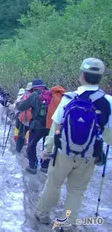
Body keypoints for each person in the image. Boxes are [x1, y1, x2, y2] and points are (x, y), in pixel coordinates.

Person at [36, 58, 112, 230]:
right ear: (100, 77)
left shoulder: (69, 97)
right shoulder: (108, 101)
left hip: (63, 152)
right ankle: (67, 224)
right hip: (89, 155)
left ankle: (42, 214)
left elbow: (55, 125)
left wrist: (47, 149)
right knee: (76, 191)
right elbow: (109, 134)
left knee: (53, 184)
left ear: (82, 76)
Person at [17, 78, 51, 174]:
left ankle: (33, 165)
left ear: (33, 88)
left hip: (37, 126)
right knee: (47, 146)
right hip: (50, 125)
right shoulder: (51, 95)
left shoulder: (34, 95)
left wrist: (18, 103)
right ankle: (45, 166)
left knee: (31, 146)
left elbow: (22, 107)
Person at [16, 83, 33, 153]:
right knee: (32, 137)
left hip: (24, 120)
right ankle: (29, 152)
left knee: (21, 136)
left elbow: (19, 107)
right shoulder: (38, 96)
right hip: (34, 120)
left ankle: (18, 151)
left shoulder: (25, 96)